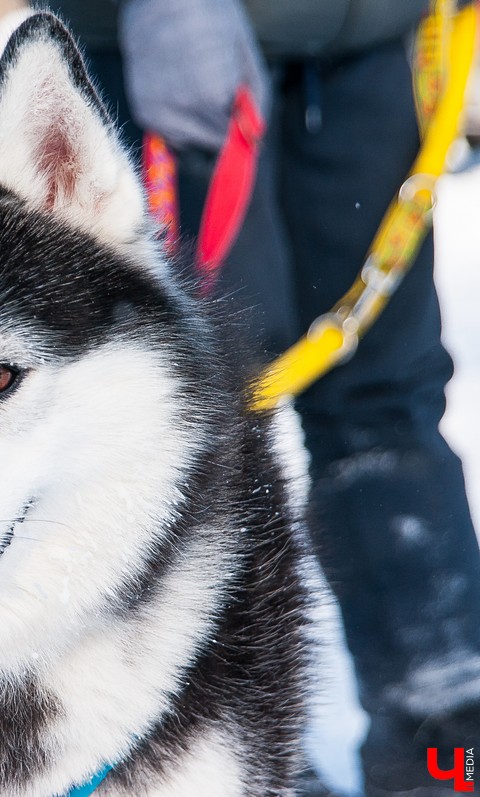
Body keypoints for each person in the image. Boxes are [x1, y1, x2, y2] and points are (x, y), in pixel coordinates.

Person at [49, 1, 480, 794]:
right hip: (174, 45)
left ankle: (444, 732)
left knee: (386, 395)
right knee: (197, 411)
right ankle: (221, 738)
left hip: (372, 37)